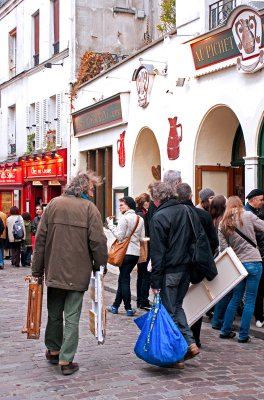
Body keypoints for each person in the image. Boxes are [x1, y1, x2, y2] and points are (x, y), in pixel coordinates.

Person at [31, 171, 108, 375]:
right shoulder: (89, 209)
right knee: (72, 316)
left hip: (54, 270)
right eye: (91, 189)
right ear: (83, 189)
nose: (92, 193)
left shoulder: (53, 204)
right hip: (78, 272)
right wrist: (100, 266)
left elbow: (40, 240)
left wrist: (37, 270)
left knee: (55, 313)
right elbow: (98, 242)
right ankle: (66, 360)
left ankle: (54, 349)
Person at [149, 181, 201, 369]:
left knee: (170, 311)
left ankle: (180, 352)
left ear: (156, 199)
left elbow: (158, 253)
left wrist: (155, 281)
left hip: (169, 271)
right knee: (177, 307)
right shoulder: (187, 211)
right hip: (185, 269)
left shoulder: (159, 216)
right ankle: (189, 344)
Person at [176, 183, 219, 347]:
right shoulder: (202, 215)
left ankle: (181, 336)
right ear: (190, 196)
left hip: (179, 265)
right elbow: (213, 241)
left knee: (177, 302)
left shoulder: (173, 214)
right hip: (197, 266)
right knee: (197, 300)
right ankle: (195, 337)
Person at [219, 196, 264, 343]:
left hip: (238, 264)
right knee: (250, 300)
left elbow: (224, 248)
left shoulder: (223, 223)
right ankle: (243, 335)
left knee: (235, 298)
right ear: (239, 204)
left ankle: (225, 330)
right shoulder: (248, 215)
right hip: (253, 261)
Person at [107, 196, 145, 316]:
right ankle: (115, 305)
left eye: (122, 205)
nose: (120, 207)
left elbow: (119, 236)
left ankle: (128, 307)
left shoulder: (124, 218)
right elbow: (141, 238)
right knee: (123, 278)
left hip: (124, 252)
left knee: (124, 280)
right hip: (135, 253)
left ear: (129, 205)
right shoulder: (140, 219)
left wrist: (110, 224)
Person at [208, 195, 232, 331]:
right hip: (221, 256)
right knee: (225, 291)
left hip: (215, 256)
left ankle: (217, 317)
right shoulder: (222, 220)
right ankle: (218, 319)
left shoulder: (212, 218)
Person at [244, 189, 264, 328]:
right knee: (256, 289)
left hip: (258, 254)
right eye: (261, 200)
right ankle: (258, 316)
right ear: (254, 200)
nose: (262, 203)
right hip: (255, 256)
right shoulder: (248, 214)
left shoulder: (257, 212)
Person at [135, 193, 152, 310]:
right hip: (145, 247)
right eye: (148, 201)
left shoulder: (138, 213)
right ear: (144, 202)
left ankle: (139, 300)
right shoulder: (142, 214)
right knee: (146, 274)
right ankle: (143, 300)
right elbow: (146, 232)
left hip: (139, 247)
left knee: (141, 275)